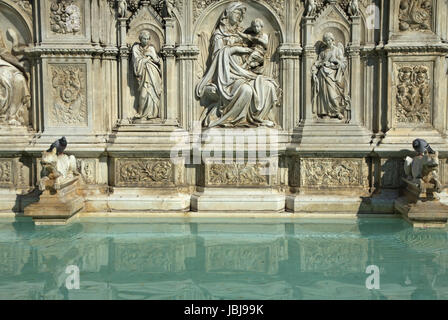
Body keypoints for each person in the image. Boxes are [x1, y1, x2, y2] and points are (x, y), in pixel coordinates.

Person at [195, 2, 280, 128]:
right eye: (236, 12)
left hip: (244, 71)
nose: (239, 15)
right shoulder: (219, 35)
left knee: (269, 86)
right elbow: (217, 58)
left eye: (240, 13)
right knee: (246, 90)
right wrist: (235, 50)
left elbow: (256, 47)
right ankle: (232, 119)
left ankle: (258, 119)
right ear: (228, 14)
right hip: (227, 75)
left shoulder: (242, 32)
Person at [312, 32, 350, 121]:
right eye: (326, 40)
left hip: (332, 75)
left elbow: (343, 64)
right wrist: (315, 70)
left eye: (329, 40)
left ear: (332, 40)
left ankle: (337, 111)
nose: (328, 42)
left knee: (332, 95)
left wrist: (335, 60)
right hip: (322, 74)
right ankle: (326, 112)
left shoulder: (337, 50)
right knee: (323, 94)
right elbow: (317, 63)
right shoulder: (323, 52)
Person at [131, 30, 162, 120]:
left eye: (148, 39)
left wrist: (151, 56)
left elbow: (157, 60)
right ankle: (141, 112)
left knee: (153, 93)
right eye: (144, 39)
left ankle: (153, 113)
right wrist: (148, 57)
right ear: (140, 39)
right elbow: (137, 61)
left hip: (153, 73)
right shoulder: (136, 48)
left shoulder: (151, 48)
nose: (146, 40)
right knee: (143, 95)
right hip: (143, 74)